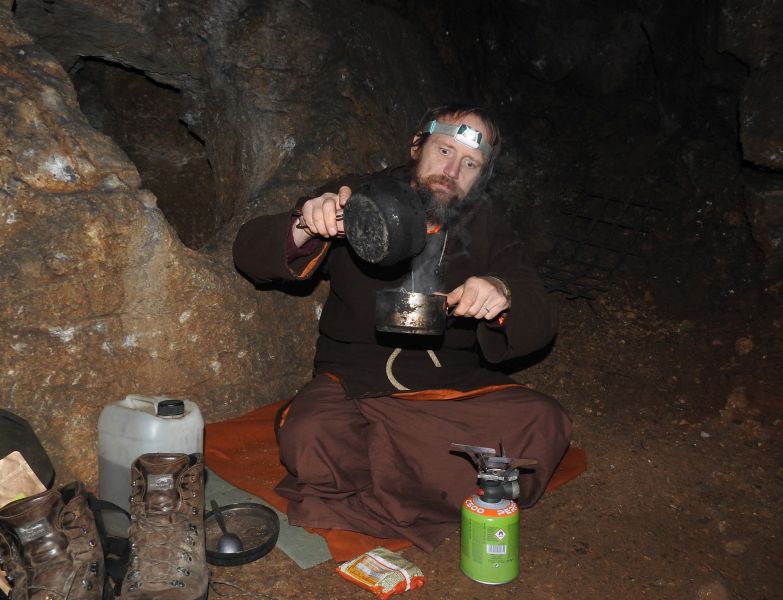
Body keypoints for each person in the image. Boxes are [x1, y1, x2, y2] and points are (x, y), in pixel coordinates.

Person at [232, 104, 572, 552]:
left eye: (469, 164)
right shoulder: (355, 197)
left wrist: (500, 293)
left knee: (544, 423)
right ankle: (439, 487)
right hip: (354, 383)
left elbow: (538, 315)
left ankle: (370, 488)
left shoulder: (488, 226)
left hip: (450, 390)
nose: (451, 171)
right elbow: (249, 254)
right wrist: (304, 226)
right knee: (311, 431)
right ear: (417, 146)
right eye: (444, 150)